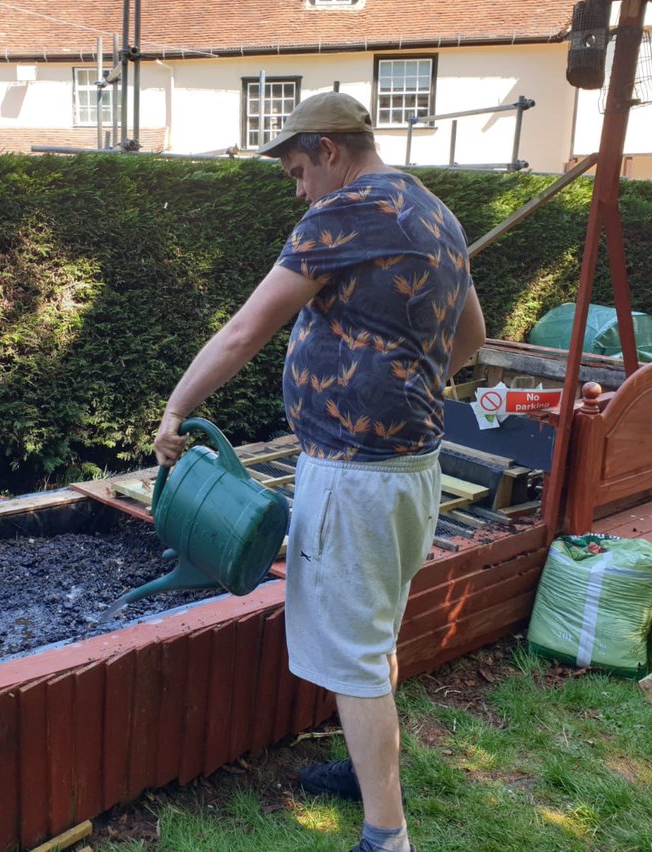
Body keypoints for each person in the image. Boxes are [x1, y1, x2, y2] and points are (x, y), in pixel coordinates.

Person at [153, 92, 486, 852]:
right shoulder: (435, 212)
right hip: (412, 468)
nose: (299, 190)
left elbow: (246, 330)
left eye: (299, 171)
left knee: (353, 652)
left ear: (331, 150)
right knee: (374, 633)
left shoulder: (346, 212)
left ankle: (386, 834)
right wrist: (406, 383)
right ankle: (367, 772)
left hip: (356, 476)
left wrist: (176, 408)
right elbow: (471, 335)